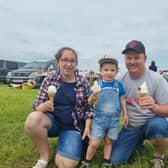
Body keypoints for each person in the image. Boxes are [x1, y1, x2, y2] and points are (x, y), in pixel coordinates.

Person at [24, 47, 93, 168]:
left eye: (72, 61)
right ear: (58, 62)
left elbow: (89, 108)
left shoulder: (83, 81)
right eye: (64, 60)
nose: (68, 64)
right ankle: (44, 157)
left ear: (76, 63)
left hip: (73, 127)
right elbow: (36, 105)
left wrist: (87, 126)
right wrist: (43, 106)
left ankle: (66, 142)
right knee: (32, 120)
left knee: (66, 165)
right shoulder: (50, 79)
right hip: (53, 123)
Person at [110, 40, 168, 168]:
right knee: (115, 161)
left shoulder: (157, 79)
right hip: (131, 127)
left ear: (145, 58)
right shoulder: (120, 79)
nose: (132, 61)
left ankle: (158, 157)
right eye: (128, 58)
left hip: (151, 122)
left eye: (137, 57)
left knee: (159, 126)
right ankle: (137, 143)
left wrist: (155, 106)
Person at [80, 57, 128, 168]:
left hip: (113, 121)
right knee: (94, 143)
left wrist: (125, 113)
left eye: (112, 70)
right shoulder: (98, 85)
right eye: (106, 70)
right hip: (99, 120)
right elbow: (89, 102)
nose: (109, 73)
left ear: (117, 71)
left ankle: (107, 160)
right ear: (101, 71)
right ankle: (87, 161)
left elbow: (122, 99)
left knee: (108, 141)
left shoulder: (118, 85)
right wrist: (92, 97)